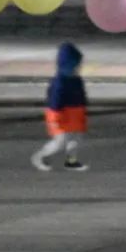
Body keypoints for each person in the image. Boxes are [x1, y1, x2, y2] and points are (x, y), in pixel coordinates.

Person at [31, 41, 89, 172]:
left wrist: (83, 110)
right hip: (61, 114)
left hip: (74, 113)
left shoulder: (76, 80)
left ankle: (71, 161)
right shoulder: (60, 82)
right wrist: (56, 117)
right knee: (61, 141)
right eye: (77, 65)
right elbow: (54, 101)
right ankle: (41, 156)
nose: (79, 68)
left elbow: (82, 96)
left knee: (76, 139)